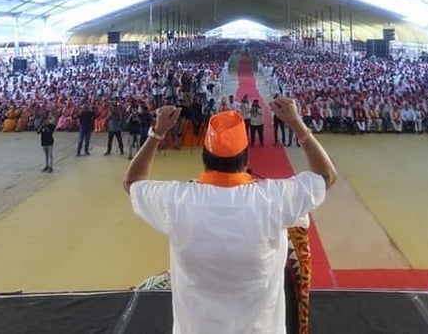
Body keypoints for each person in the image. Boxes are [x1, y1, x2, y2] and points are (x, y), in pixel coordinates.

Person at [124, 96, 337, 333]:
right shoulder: (274, 199)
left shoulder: (177, 200)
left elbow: (132, 182)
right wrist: (297, 124)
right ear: (246, 158)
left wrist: (157, 133)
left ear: (205, 157)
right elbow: (326, 175)